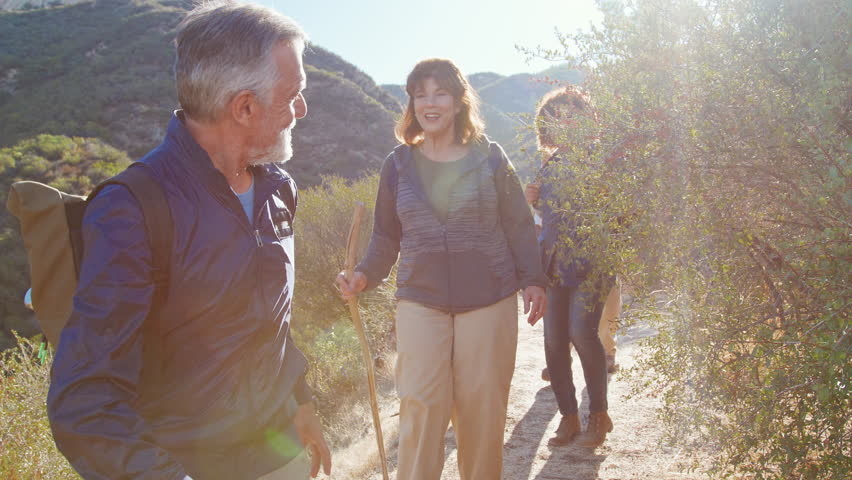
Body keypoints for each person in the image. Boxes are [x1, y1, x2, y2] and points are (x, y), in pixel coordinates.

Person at [46, 2, 331, 479]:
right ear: (244, 106)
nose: (302, 109)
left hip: (277, 450)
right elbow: (84, 400)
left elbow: (272, 317)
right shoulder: (132, 208)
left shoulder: (279, 189)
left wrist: (300, 403)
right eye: (293, 94)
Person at [336, 58, 547, 480]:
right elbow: (386, 238)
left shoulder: (489, 156)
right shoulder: (396, 165)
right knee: (420, 407)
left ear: (457, 101)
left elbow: (519, 223)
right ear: (411, 104)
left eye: (440, 93)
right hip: (420, 299)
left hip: (489, 297)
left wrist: (534, 279)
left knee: (481, 413)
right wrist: (363, 275)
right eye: (420, 95)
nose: (429, 103)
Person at [525, 86, 615, 448]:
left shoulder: (601, 161)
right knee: (553, 341)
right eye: (557, 118)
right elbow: (543, 222)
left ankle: (600, 413)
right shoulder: (551, 165)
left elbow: (615, 214)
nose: (564, 123)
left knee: (581, 331)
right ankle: (568, 417)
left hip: (593, 264)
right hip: (554, 264)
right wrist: (530, 201)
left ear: (584, 119)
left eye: (571, 115)